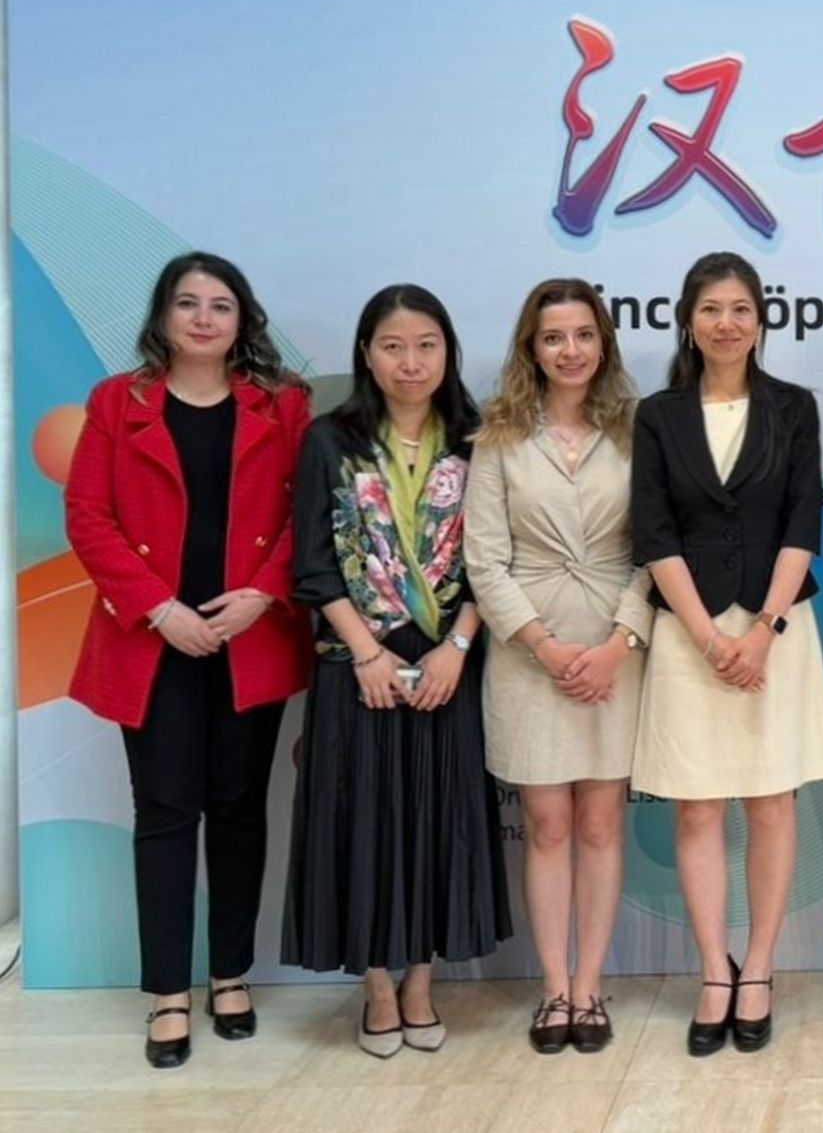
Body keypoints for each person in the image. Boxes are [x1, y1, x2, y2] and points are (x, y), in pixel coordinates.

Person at [64, 251, 313, 1068]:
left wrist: (262, 593)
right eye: (188, 303)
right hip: (153, 639)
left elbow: (309, 516)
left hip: (251, 635)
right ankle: (168, 989)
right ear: (163, 315)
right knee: (166, 810)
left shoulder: (284, 404)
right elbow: (88, 515)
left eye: (221, 304)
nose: (204, 318)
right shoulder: (116, 401)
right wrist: (160, 608)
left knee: (240, 806)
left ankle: (230, 974)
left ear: (243, 320)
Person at [282, 285, 512, 1057]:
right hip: (359, 667)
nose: (410, 362)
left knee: (437, 822)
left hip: (449, 661)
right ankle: (377, 985)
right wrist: (367, 652)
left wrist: (458, 648)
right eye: (392, 346)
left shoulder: (479, 440)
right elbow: (313, 564)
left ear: (448, 352)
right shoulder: (331, 440)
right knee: (364, 823)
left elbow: (495, 559)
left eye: (426, 345)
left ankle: (421, 981)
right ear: (367, 354)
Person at [629, 252, 823, 1056]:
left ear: (761, 320)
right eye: (712, 309)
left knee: (772, 802)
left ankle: (758, 966)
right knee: (697, 806)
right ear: (688, 320)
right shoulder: (658, 415)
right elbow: (655, 533)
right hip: (690, 637)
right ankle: (712, 970)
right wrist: (710, 636)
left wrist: (760, 631)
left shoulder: (793, 407)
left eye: (741, 309)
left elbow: (802, 522)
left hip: (774, 633)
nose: (727, 323)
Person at [464, 278, 655, 1054]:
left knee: (602, 823)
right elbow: (484, 558)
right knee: (546, 825)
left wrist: (618, 643)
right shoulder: (498, 434)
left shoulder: (639, 430)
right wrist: (543, 645)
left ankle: (590, 985)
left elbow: (657, 549)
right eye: (553, 337)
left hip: (616, 648)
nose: (569, 350)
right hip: (526, 654)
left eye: (583, 334)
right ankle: (553, 988)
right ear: (531, 349)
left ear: (603, 342)